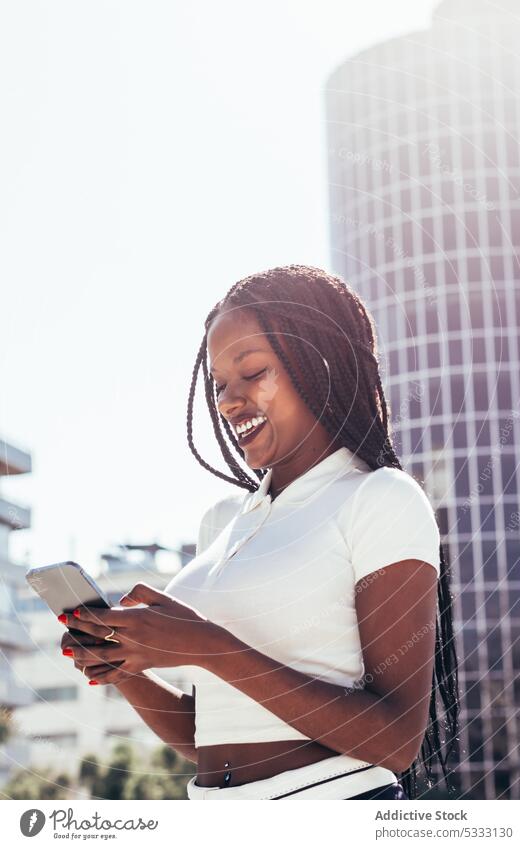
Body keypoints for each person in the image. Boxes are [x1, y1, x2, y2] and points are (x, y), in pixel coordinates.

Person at [59, 264, 459, 800]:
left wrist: (206, 645)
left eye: (253, 373)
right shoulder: (223, 522)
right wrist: (123, 665)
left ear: (318, 364)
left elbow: (394, 740)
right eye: (220, 384)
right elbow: (212, 734)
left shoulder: (379, 498)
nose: (227, 401)